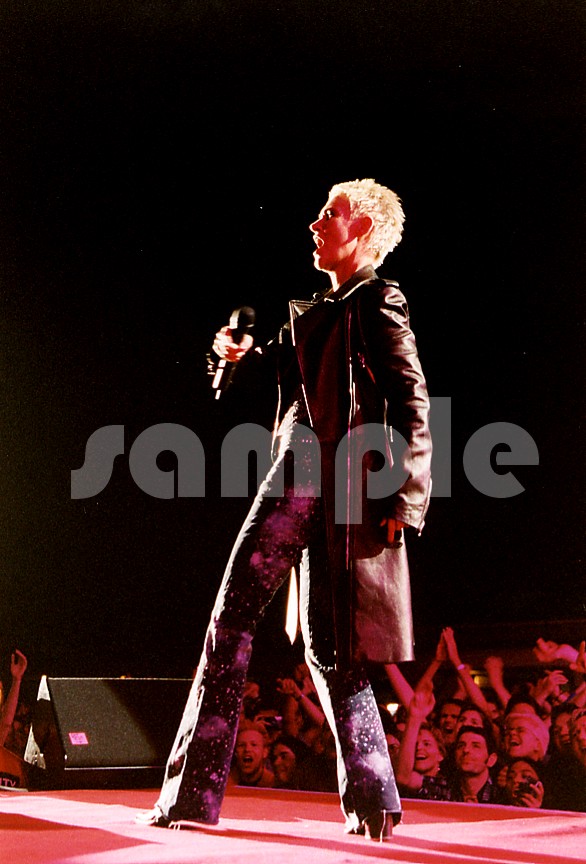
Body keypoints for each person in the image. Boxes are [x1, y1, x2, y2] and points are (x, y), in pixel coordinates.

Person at [138, 179, 432, 841]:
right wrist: (239, 354)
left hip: (316, 473)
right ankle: (375, 801)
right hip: (315, 475)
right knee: (329, 647)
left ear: (363, 229)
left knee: (236, 617)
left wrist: (406, 497)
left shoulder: (377, 301)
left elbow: (412, 399)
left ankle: (191, 795)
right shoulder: (322, 311)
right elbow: (285, 368)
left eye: (331, 213)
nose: (315, 223)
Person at [229, 721, 275, 788]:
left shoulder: (273, 785)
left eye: (254, 745)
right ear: (235, 752)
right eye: (241, 745)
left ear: (265, 752)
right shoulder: (224, 784)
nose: (247, 749)